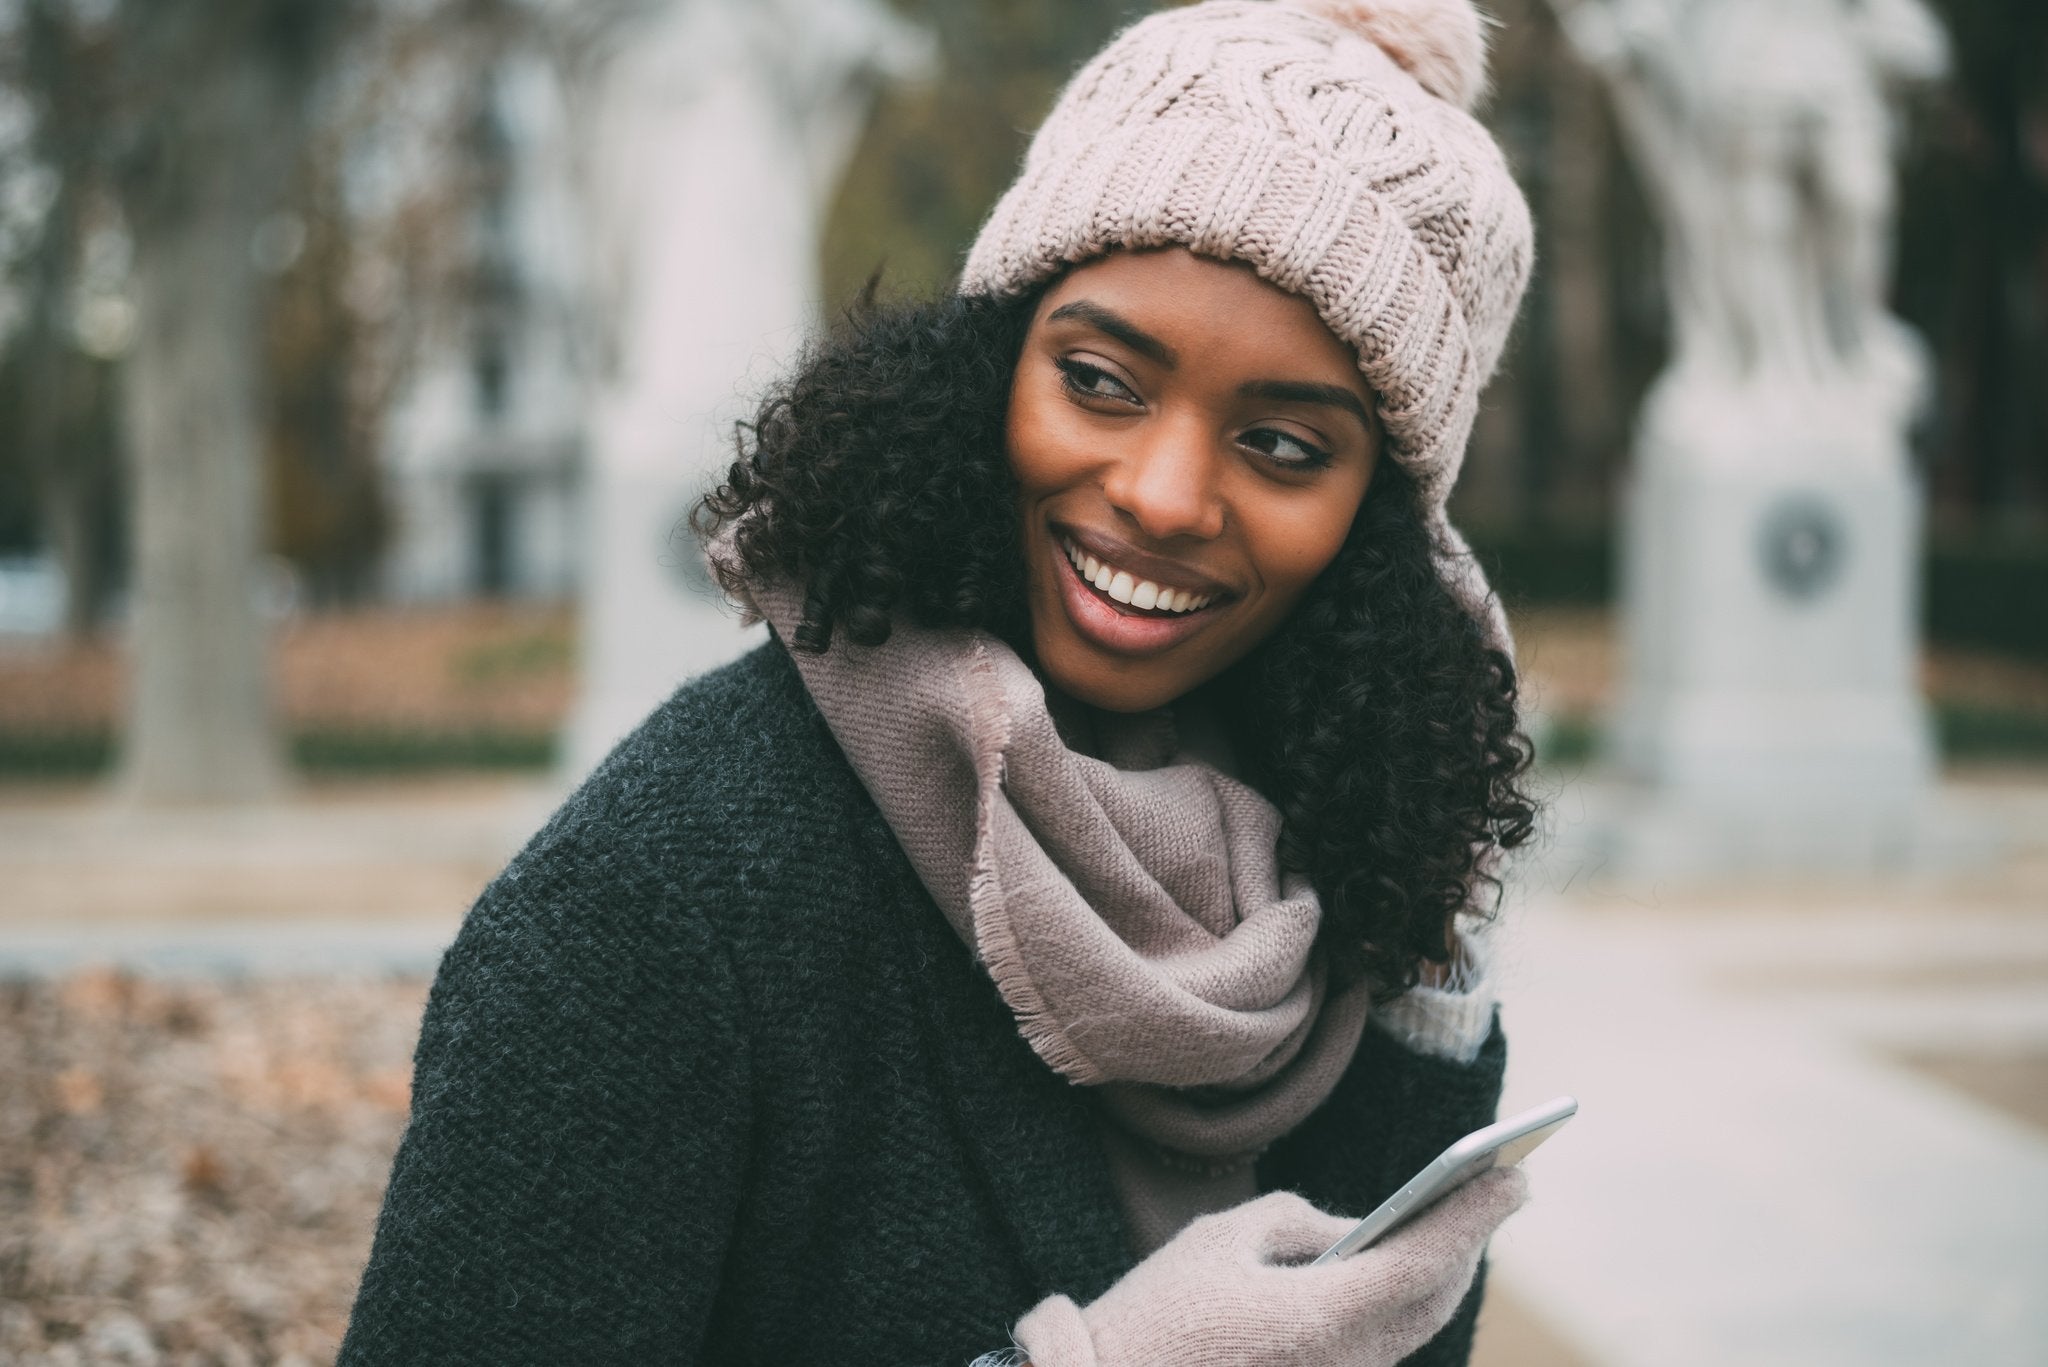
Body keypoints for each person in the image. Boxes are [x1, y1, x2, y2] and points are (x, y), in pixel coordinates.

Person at [338, 1, 1541, 1363]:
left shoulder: (1345, 887)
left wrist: (1429, 1015)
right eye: (1099, 380)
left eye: (1279, 446)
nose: (1160, 495)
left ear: (1379, 527)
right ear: (985, 368)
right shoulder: (661, 898)